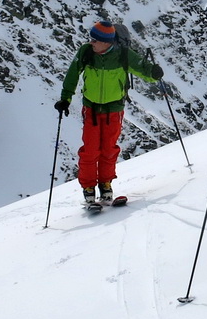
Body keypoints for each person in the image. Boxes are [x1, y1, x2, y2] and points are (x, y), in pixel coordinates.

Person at [56, 21, 165, 207]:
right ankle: (88, 187)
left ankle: (105, 184)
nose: (91, 42)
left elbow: (142, 67)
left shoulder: (122, 55)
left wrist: (153, 73)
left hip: (114, 110)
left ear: (107, 42)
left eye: (95, 40)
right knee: (90, 150)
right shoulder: (86, 52)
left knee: (108, 149)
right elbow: (72, 74)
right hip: (91, 108)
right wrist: (65, 98)